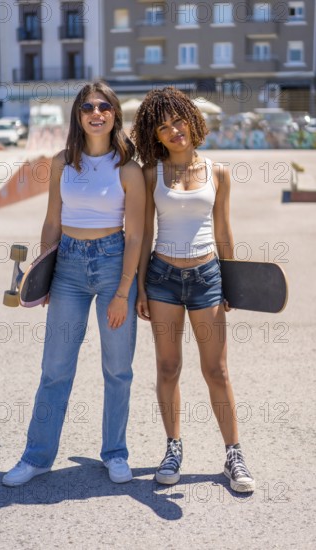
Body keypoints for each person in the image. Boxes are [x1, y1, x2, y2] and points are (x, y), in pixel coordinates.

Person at [3, 81, 145, 486]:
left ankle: (115, 453)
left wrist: (122, 293)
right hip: (67, 267)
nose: (95, 113)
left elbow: (134, 235)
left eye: (103, 106)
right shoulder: (63, 161)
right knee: (55, 368)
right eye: (87, 107)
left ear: (114, 113)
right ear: (78, 116)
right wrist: (42, 274)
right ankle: (37, 457)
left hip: (113, 263)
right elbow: (52, 220)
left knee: (118, 368)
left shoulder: (128, 169)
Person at [131, 87, 255, 493]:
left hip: (206, 277)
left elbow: (223, 231)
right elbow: (145, 232)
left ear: (191, 119)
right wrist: (141, 288)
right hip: (163, 278)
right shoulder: (151, 174)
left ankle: (234, 454)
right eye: (163, 127)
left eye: (178, 121)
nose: (174, 131)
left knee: (216, 370)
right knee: (168, 368)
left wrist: (233, 281)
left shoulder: (217, 172)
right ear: (156, 134)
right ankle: (173, 448)